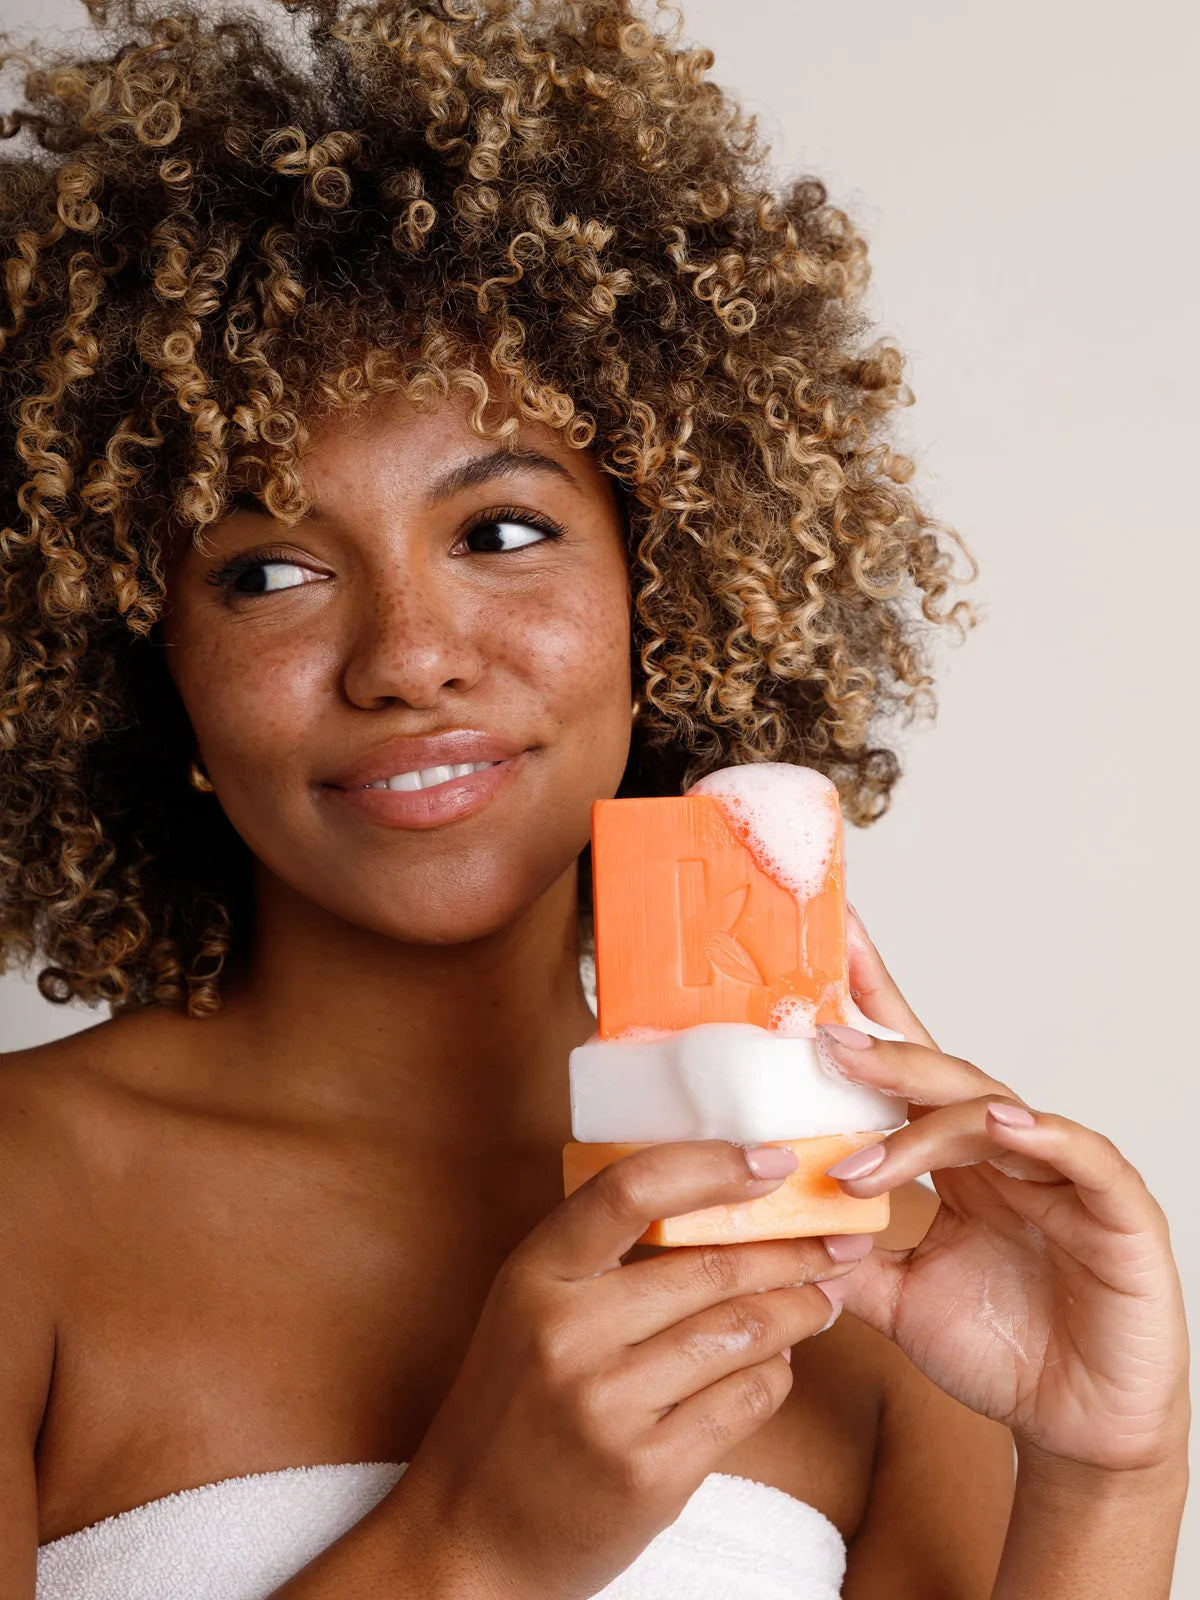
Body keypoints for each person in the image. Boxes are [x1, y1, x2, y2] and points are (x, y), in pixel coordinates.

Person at [0, 0, 1187, 1595]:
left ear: (666, 592)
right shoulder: (27, 1203)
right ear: (157, 679)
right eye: (269, 570)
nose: (409, 659)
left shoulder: (865, 1232)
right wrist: (475, 1544)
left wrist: (1109, 1475)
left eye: (500, 532)